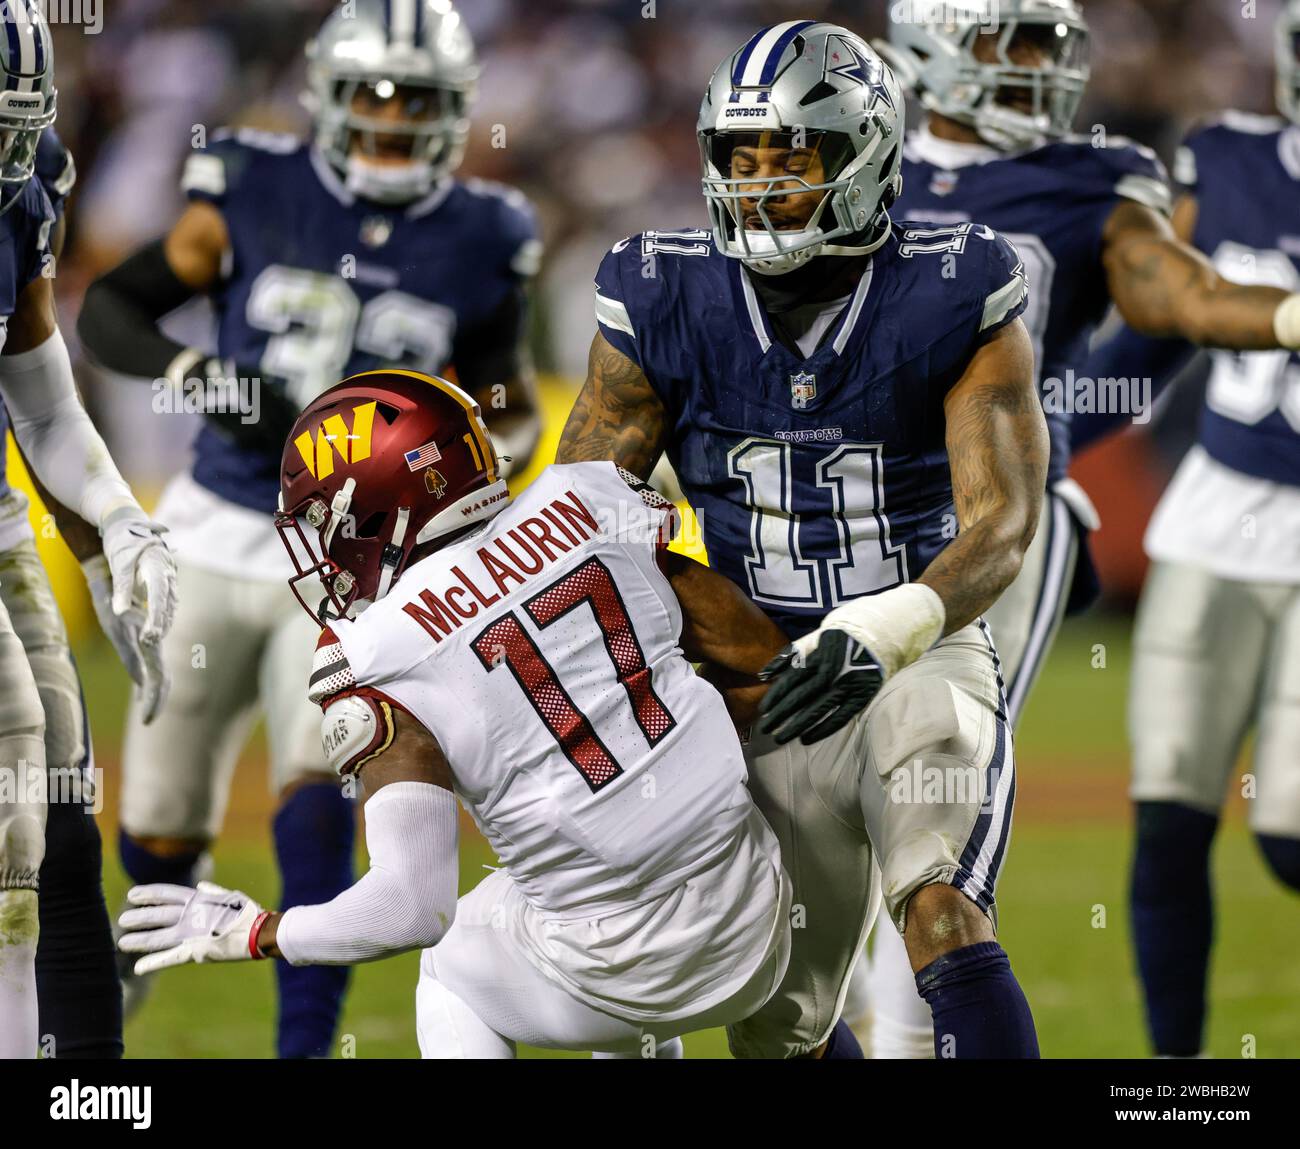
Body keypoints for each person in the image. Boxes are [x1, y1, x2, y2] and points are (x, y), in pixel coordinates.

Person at [559, 21, 1048, 1058]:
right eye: (742, 157)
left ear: (865, 156)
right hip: (750, 682)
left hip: (914, 651)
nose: (759, 182)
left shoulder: (954, 282)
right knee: (776, 1017)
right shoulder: (660, 288)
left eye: (792, 156)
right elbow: (583, 524)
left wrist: (891, 624)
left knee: (939, 909)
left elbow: (1002, 522)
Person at [76, 0, 540, 1058]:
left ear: (454, 109)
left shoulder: (487, 231)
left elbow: (508, 400)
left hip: (353, 569)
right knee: (157, 827)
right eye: (373, 95)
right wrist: (199, 375)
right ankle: (146, 946)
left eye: (416, 101)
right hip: (212, 526)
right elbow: (113, 309)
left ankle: (306, 1049)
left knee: (322, 793)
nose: (391, 118)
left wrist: (458, 453)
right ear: (326, 98)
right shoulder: (250, 179)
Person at [845, 0, 1300, 1060]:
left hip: (987, 519)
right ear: (932, 47)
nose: (1039, 70)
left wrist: (1280, 316)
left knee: (936, 798)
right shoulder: (842, 152)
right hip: (832, 510)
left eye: (1050, 46)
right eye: (1010, 43)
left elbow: (1170, 292)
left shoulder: (1093, 179)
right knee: (798, 814)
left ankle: (912, 1040)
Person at [117, 370, 795, 1059]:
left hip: (619, 967)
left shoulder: (376, 648)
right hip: (759, 915)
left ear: (381, 503)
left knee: (448, 969)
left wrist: (261, 930)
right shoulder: (587, 501)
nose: (326, 544)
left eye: (326, 517)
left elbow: (413, 906)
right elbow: (768, 662)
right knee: (537, 893)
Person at [0, 4, 176, 1059]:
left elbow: (44, 400)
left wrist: (118, 528)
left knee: (63, 829)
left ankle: (92, 1090)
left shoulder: (23, 189)